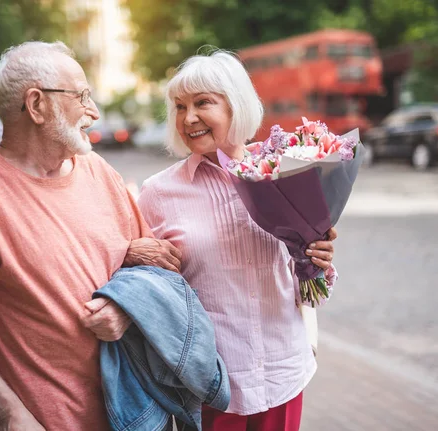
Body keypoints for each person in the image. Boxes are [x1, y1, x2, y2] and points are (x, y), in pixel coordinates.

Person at [0, 41, 179, 431]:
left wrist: (127, 308)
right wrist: (9, 410)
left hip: (141, 414)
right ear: (37, 104)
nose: (93, 112)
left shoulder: (100, 172)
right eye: (82, 96)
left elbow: (153, 269)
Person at [137, 49, 338, 431]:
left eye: (202, 103)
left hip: (283, 373)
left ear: (236, 106)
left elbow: (312, 290)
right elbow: (145, 289)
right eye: (179, 107)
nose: (188, 117)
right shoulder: (157, 193)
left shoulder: (285, 175)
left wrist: (317, 261)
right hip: (212, 384)